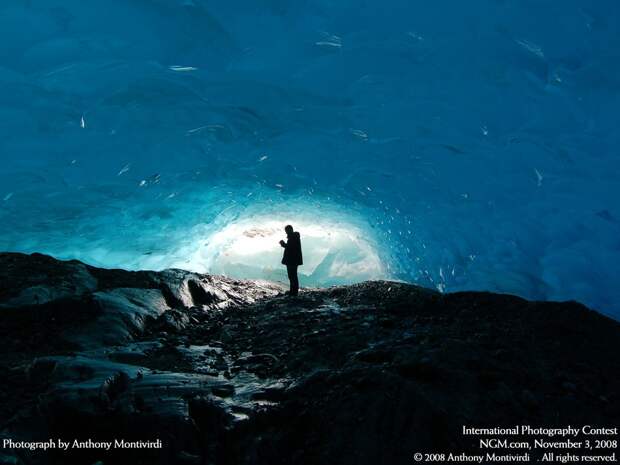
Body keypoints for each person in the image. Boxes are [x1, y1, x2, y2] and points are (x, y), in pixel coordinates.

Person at [279, 224, 303, 296]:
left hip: (291, 261)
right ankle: (293, 291)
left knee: (292, 276)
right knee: (293, 276)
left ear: (289, 230)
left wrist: (283, 244)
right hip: (294, 260)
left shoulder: (293, 237)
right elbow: (291, 247)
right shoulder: (294, 237)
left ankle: (293, 292)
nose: (286, 232)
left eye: (286, 231)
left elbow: (290, 248)